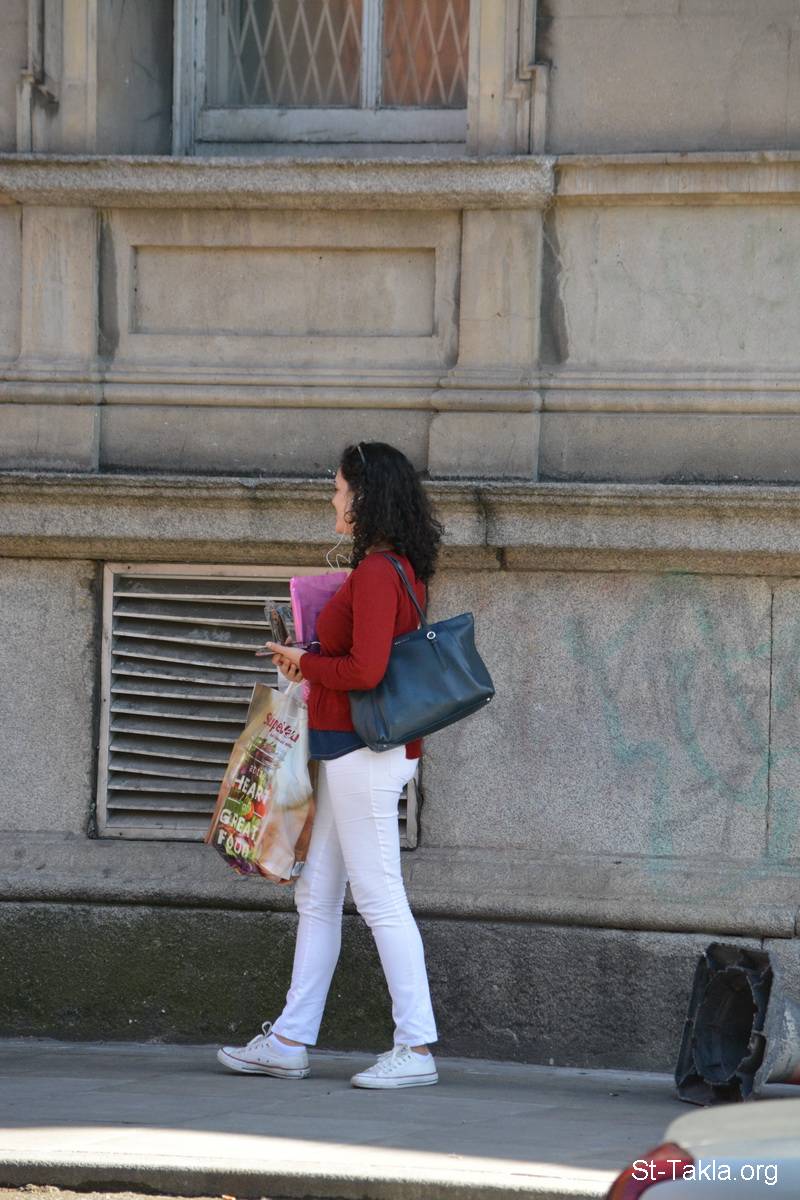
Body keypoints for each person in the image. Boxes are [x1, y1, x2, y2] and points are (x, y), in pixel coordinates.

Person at [217, 441, 444, 1089]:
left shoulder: (375, 572)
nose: (333, 500)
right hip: (356, 750)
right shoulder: (396, 569)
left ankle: (417, 1047)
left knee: (378, 895)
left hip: (364, 754)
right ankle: (290, 1040)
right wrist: (312, 658)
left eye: (339, 490)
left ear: (365, 497)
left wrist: (304, 662)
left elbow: (365, 670)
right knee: (317, 892)